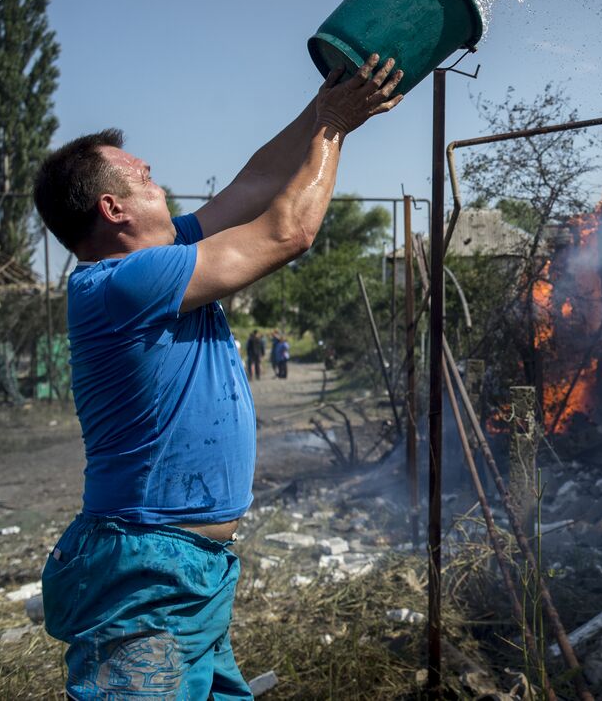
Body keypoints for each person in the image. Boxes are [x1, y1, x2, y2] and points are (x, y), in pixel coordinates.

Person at [32, 54, 403, 699]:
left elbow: (256, 181)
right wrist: (336, 130)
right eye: (143, 177)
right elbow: (288, 230)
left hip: (187, 569)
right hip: (145, 571)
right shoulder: (124, 282)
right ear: (113, 208)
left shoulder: (161, 257)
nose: (159, 182)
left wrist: (326, 106)